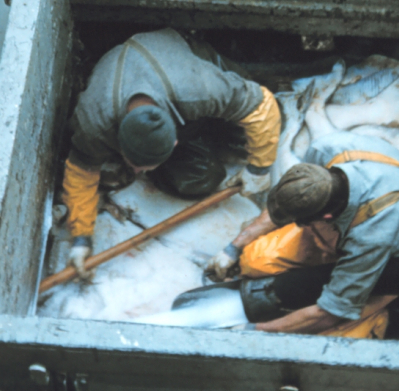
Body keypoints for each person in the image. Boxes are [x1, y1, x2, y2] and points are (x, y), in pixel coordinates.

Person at [61, 29, 281, 277]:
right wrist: (81, 238)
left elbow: (262, 106)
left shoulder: (199, 89)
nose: (135, 173)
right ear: (118, 142)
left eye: (142, 168)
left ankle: (214, 130)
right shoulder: (94, 121)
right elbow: (81, 172)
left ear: (175, 142)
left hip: (185, 62)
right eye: (133, 164)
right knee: (197, 179)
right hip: (127, 78)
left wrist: (258, 169)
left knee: (252, 132)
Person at [207, 129, 399, 338]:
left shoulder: (374, 235)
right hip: (342, 223)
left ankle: (380, 317)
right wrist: (234, 248)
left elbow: (328, 313)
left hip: (392, 261)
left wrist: (255, 331)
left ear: (324, 219)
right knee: (255, 260)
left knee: (335, 337)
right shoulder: (325, 150)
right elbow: (290, 199)